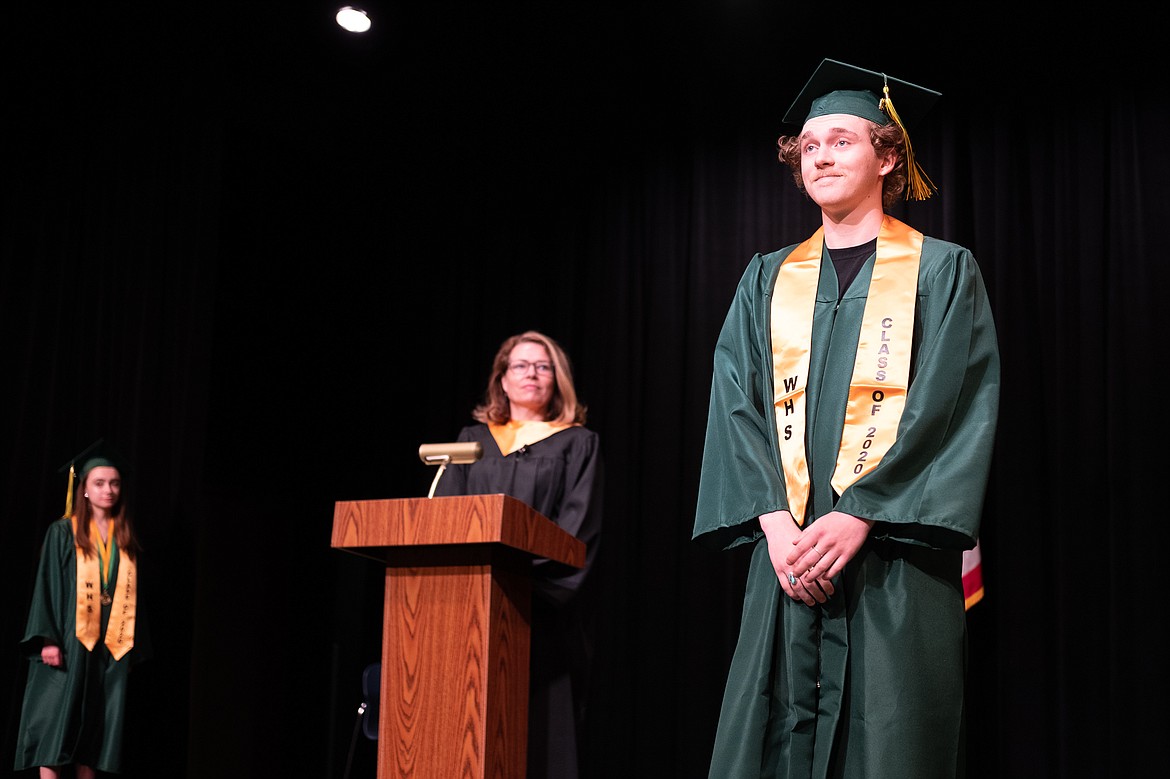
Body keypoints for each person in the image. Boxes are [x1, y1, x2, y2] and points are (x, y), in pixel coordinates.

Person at [692, 59, 1000, 778]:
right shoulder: (766, 278)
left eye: (841, 140)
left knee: (892, 741)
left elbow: (949, 408)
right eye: (808, 146)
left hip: (893, 561)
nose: (820, 155)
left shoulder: (943, 272)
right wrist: (775, 523)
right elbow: (735, 404)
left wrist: (860, 514)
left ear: (888, 155)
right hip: (789, 561)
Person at [434, 330, 603, 779]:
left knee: (541, 740)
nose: (531, 373)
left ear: (557, 380)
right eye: (521, 365)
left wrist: (519, 583)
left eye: (543, 366)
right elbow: (444, 523)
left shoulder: (577, 444)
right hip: (468, 611)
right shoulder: (469, 442)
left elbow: (577, 532)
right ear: (502, 380)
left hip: (542, 616)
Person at [13, 440, 148, 778]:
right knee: (54, 729)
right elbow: (45, 586)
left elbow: (134, 598)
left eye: (114, 483)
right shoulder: (63, 532)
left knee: (94, 737)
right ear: (83, 488)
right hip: (67, 645)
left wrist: (131, 648)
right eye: (99, 483)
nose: (108, 490)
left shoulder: (125, 538)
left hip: (107, 648)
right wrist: (47, 639)